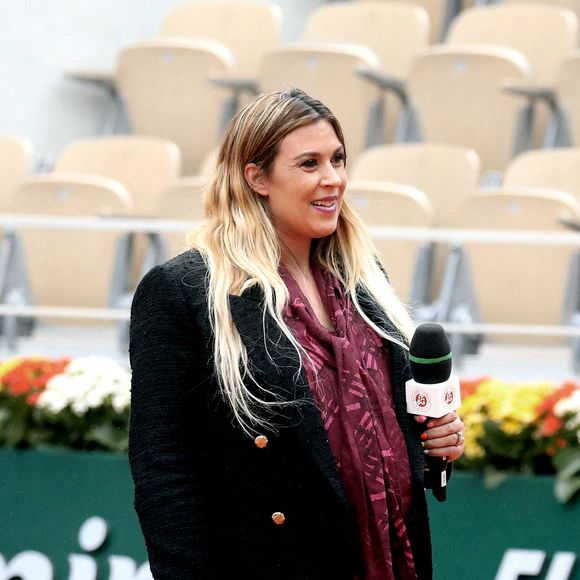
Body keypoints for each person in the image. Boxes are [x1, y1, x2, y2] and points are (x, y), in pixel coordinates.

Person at [128, 88, 465, 580]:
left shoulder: (363, 278)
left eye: (338, 159)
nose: (333, 180)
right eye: (309, 164)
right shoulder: (184, 291)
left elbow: (375, 429)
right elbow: (163, 470)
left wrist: (434, 437)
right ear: (257, 177)